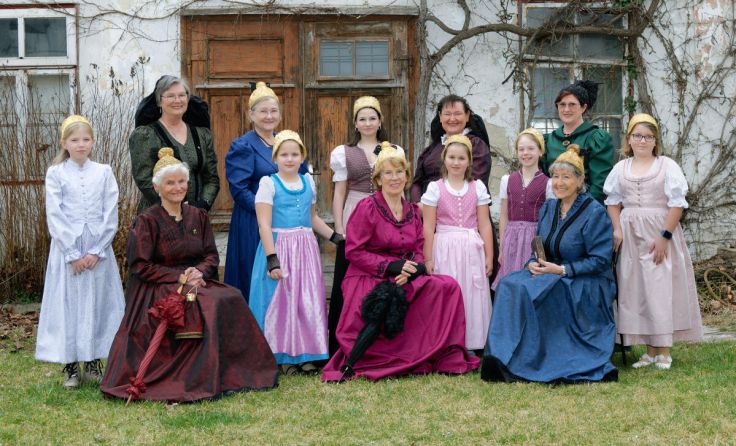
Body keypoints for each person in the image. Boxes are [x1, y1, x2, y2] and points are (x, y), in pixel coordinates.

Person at [100, 150, 278, 403]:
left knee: (231, 296)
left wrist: (199, 271)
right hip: (159, 285)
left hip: (196, 280)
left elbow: (211, 255)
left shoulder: (198, 215)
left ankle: (233, 372)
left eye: (182, 181)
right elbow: (140, 265)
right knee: (208, 303)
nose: (178, 187)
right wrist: (180, 276)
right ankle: (192, 376)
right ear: (157, 187)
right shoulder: (147, 221)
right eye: (170, 183)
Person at [322, 143, 480, 382]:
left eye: (399, 172)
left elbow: (417, 247)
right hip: (368, 274)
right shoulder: (367, 207)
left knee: (448, 286)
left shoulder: (412, 211)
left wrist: (414, 269)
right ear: (378, 179)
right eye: (388, 173)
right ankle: (374, 357)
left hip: (404, 274)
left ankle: (436, 350)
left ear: (406, 177)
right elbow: (354, 251)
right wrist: (390, 266)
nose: (394, 178)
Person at [482, 144, 618, 384]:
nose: (559, 183)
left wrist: (563, 270)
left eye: (566, 177)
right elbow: (540, 245)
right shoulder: (549, 207)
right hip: (550, 271)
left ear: (580, 180)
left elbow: (600, 260)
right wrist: (533, 263)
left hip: (585, 280)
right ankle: (501, 357)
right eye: (555, 177)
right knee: (509, 284)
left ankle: (534, 358)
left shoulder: (594, 212)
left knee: (533, 289)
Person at [604, 113, 703, 370]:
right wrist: (617, 228)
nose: (642, 141)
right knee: (635, 291)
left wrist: (664, 236)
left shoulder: (666, 166)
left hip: (659, 232)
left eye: (648, 136)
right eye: (637, 135)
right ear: (629, 139)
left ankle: (664, 351)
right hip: (630, 236)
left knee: (659, 290)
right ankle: (649, 351)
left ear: (655, 140)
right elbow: (613, 201)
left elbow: (677, 204)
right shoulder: (620, 168)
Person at [35, 115, 125, 389]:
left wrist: (97, 250)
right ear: (64, 143)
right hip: (68, 248)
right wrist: (72, 253)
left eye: (86, 139)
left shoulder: (104, 172)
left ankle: (94, 360)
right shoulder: (56, 173)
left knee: (97, 302)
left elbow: (110, 212)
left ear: (93, 141)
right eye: (74, 140)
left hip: (98, 247)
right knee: (70, 304)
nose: (81, 144)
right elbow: (55, 212)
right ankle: (71, 365)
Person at [249, 130, 342, 374]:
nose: (289, 159)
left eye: (294, 154)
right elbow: (264, 225)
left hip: (305, 249)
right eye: (284, 154)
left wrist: (335, 237)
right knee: (282, 302)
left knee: (305, 300)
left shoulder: (308, 182)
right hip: (280, 247)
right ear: (275, 157)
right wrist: (272, 258)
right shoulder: (268, 184)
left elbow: (313, 218)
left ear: (302, 156)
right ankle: (283, 357)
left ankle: (306, 353)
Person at [327, 96, 405, 355]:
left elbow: (399, 188)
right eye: (363, 119)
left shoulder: (394, 149)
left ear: (380, 121)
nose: (368, 123)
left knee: (382, 268)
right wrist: (339, 228)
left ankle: (383, 338)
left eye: (373, 118)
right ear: (355, 123)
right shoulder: (344, 153)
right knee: (349, 274)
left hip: (385, 210)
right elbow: (339, 192)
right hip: (356, 210)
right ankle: (341, 340)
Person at [225, 82, 308, 301]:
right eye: (263, 111)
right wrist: (267, 210)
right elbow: (239, 190)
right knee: (257, 277)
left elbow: (302, 175)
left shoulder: (287, 142)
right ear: (251, 115)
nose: (269, 116)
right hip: (254, 222)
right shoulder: (243, 146)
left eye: (273, 111)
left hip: (288, 223)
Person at [421, 134, 493, 352]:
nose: (456, 162)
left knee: (472, 293)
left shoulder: (477, 187)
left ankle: (473, 341)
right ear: (444, 159)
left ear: (469, 161)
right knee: (449, 292)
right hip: (445, 247)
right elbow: (428, 227)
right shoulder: (435, 188)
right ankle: (447, 342)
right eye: (452, 157)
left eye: (461, 158)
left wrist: (489, 255)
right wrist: (427, 258)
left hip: (471, 247)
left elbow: (485, 224)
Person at [129, 75, 220, 213]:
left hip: (196, 215)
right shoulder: (146, 135)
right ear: (159, 101)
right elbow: (144, 180)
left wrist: (202, 206)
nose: (177, 100)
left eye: (182, 95)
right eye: (170, 96)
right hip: (158, 215)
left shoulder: (202, 134)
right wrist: (177, 208)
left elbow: (211, 178)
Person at [492, 128, 553, 290]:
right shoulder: (507, 180)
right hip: (511, 237)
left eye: (531, 148)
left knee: (530, 282)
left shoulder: (548, 184)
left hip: (534, 238)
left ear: (540, 151)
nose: (526, 153)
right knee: (510, 282)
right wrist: (502, 246)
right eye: (521, 149)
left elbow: (549, 219)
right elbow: (504, 215)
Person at [542, 80, 615, 203]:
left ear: (583, 107)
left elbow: (600, 185)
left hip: (586, 207)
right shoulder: (549, 140)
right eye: (562, 104)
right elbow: (543, 179)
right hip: (554, 206)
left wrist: (578, 208)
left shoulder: (596, 138)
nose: (566, 109)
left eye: (572, 104)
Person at [410, 94, 491, 202]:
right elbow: (417, 183)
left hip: (462, 207)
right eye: (447, 114)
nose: (452, 119)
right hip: (427, 208)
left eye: (457, 114)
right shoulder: (433, 148)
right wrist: (419, 204)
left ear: (467, 115)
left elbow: (475, 182)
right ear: (440, 116)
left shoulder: (476, 145)